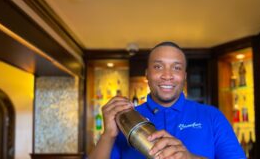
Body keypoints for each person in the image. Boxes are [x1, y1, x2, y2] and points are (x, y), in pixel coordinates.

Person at [89, 42, 246, 159]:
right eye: (158, 67)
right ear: (147, 75)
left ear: (184, 76)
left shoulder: (212, 116)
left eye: (176, 68)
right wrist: (108, 134)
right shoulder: (127, 118)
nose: (167, 75)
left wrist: (190, 158)